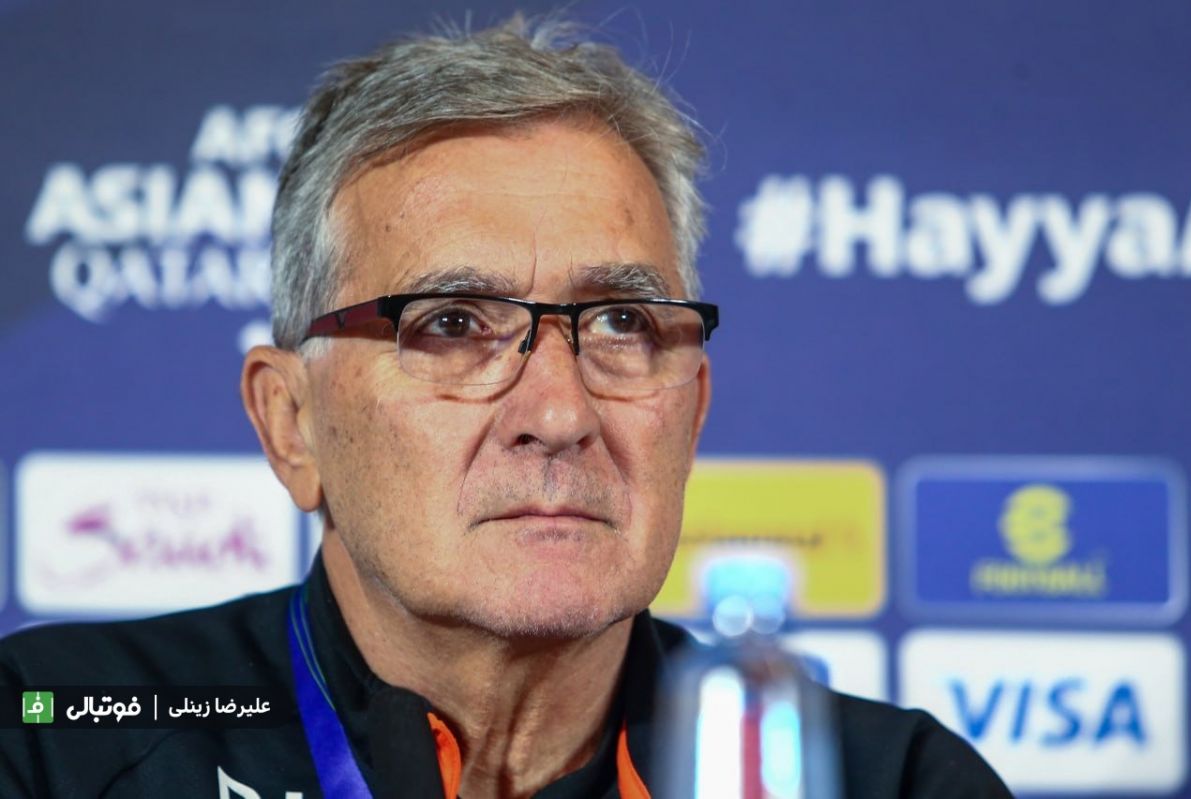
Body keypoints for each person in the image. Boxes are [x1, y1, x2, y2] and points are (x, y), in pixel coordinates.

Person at [0, 15, 1011, 798]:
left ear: (693, 409)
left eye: (619, 322)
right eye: (451, 325)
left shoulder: (885, 780)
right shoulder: (54, 733)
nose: (560, 413)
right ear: (292, 422)